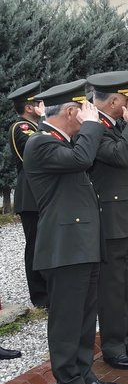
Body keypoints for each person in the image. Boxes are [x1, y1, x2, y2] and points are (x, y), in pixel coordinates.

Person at [23, 79, 119, 384]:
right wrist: (93, 125)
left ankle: (83, 372)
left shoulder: (63, 141)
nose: (87, 117)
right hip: (63, 246)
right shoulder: (41, 143)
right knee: (66, 319)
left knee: (84, 316)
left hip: (82, 243)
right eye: (82, 111)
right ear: (70, 111)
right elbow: (81, 159)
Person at [87, 71, 128, 370]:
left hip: (123, 214)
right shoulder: (93, 128)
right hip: (110, 217)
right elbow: (120, 156)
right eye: (127, 98)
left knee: (123, 279)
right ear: (114, 100)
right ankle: (113, 345)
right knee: (112, 284)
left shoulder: (112, 124)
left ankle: (124, 336)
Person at [7, 81, 47, 316]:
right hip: (31, 194)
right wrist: (43, 121)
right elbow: (34, 155)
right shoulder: (21, 127)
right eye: (39, 102)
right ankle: (40, 296)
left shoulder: (35, 125)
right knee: (35, 245)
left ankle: (50, 288)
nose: (44, 106)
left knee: (47, 242)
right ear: (30, 107)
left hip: (42, 193)